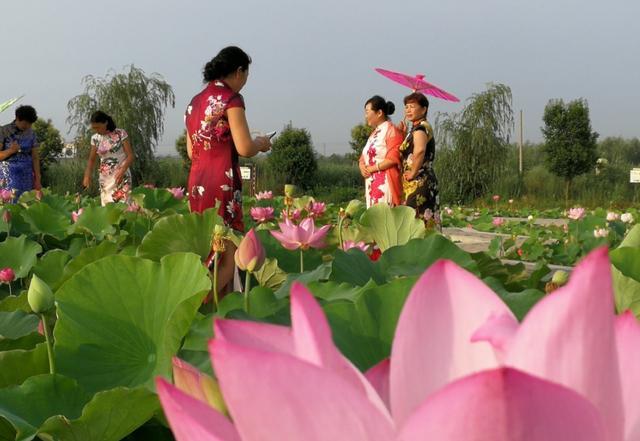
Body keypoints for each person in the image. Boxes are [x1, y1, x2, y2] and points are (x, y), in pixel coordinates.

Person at [185, 46, 271, 292]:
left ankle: (212, 311)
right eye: (245, 75)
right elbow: (244, 147)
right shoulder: (231, 99)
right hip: (222, 182)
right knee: (229, 257)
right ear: (239, 71)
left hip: (198, 183)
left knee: (209, 251)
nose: (244, 81)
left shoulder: (194, 103)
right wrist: (261, 144)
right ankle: (197, 305)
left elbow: (192, 152)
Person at [399, 92, 440, 229]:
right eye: (406, 107)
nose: (408, 110)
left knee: (418, 220)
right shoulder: (417, 128)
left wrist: (413, 173)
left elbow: (420, 150)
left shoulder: (420, 128)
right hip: (418, 181)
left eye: (412, 106)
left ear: (423, 109)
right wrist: (404, 134)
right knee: (421, 220)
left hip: (419, 181)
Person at [358, 96, 403, 207]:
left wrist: (373, 168)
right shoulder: (374, 134)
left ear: (379, 113)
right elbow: (364, 156)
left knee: (384, 219)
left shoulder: (392, 130)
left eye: (367, 112)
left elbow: (393, 158)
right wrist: (361, 166)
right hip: (371, 183)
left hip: (385, 183)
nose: (366, 116)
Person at [83, 111, 134, 205]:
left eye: (98, 127)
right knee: (107, 208)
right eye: (94, 128)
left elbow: (131, 156)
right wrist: (87, 176)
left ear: (105, 123)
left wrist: (122, 170)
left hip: (122, 176)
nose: (96, 130)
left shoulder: (120, 134)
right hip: (105, 178)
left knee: (124, 207)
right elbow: (91, 160)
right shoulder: (95, 138)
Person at [0, 105, 41, 201]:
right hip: (8, 175)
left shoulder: (32, 134)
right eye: (26, 123)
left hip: (26, 176)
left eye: (30, 124)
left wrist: (37, 179)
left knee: (25, 203)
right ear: (17, 118)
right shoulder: (4, 131)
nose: (28, 126)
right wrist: (10, 151)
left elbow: (35, 157)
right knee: (9, 204)